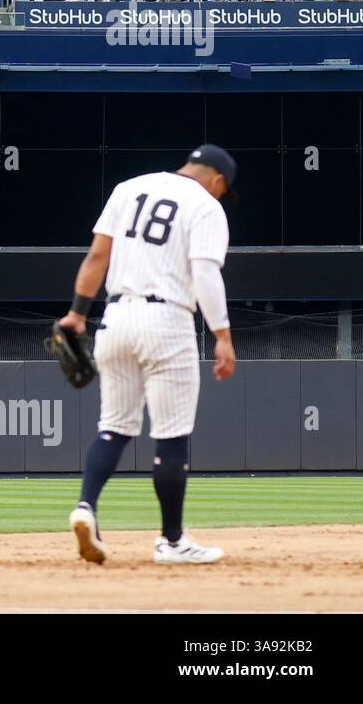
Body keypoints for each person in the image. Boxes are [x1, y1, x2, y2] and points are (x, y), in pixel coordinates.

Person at [63, 144, 237, 566]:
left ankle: (86, 507)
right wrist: (223, 335)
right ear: (217, 180)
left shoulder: (129, 188)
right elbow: (205, 273)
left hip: (115, 316)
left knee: (114, 427)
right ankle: (172, 541)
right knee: (171, 435)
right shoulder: (205, 204)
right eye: (224, 189)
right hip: (168, 321)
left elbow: (97, 256)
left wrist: (76, 314)